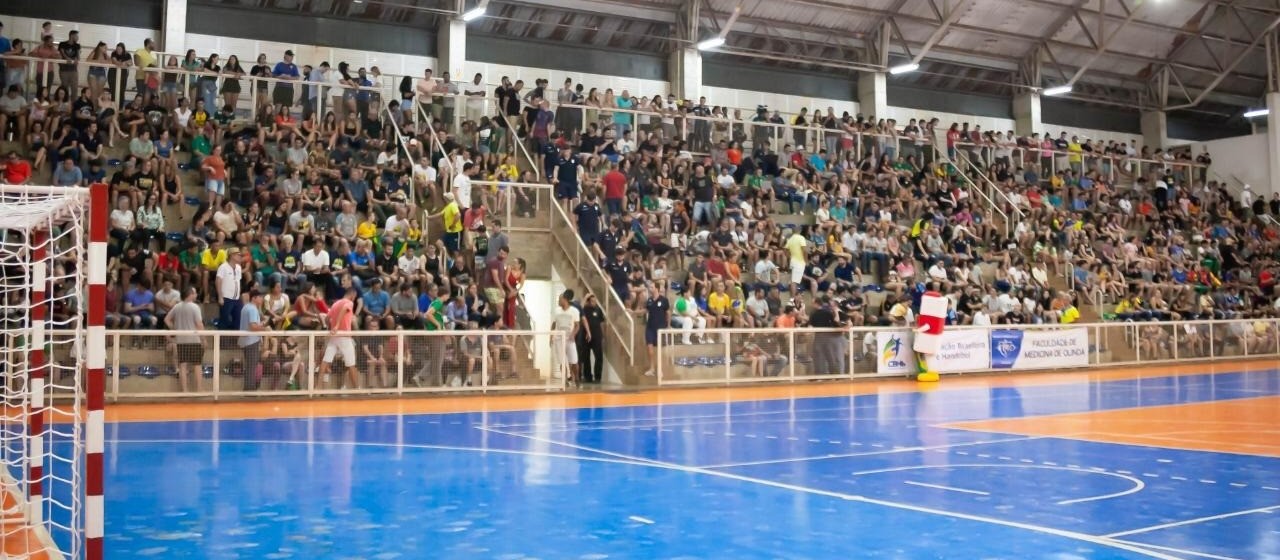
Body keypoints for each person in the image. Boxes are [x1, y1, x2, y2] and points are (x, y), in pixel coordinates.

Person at [164, 287, 204, 393]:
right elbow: (199, 324)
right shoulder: (195, 307)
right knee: (197, 365)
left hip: (181, 340)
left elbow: (167, 319)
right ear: (190, 294)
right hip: (194, 340)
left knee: (182, 365)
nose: (196, 295)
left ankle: (185, 390)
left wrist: (175, 329)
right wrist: (204, 338)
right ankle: (199, 389)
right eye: (195, 293)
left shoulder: (177, 307)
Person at [318, 287, 359, 390]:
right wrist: (336, 325)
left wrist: (330, 327)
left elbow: (327, 318)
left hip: (334, 337)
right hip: (344, 336)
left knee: (325, 361)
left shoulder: (335, 304)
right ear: (352, 294)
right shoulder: (349, 303)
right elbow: (345, 308)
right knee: (351, 364)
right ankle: (357, 389)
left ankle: (317, 387)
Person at [239, 288, 268, 391]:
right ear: (254, 298)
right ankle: (249, 390)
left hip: (246, 341)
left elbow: (254, 325)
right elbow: (253, 327)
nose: (262, 299)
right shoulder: (252, 309)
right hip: (251, 342)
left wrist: (262, 324)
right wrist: (265, 329)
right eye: (260, 297)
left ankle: (248, 388)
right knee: (251, 366)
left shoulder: (246, 307)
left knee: (250, 365)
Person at [553, 289, 581, 384]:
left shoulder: (574, 311)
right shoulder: (556, 311)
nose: (558, 301)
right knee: (562, 361)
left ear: (565, 299)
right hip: (559, 339)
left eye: (560, 299)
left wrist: (573, 334)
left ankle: (576, 378)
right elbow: (553, 324)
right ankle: (564, 381)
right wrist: (551, 336)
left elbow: (577, 325)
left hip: (569, 339)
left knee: (574, 361)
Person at [642, 283, 670, 377]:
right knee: (649, 348)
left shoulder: (664, 300)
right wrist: (633, 312)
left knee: (659, 350)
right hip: (650, 327)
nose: (650, 288)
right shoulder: (649, 300)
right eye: (649, 287)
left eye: (652, 287)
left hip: (660, 328)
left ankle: (660, 369)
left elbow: (668, 313)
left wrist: (668, 325)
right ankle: (652, 368)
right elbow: (645, 311)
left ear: (656, 288)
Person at [579, 294, 605, 384]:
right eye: (593, 301)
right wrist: (585, 297)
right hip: (585, 336)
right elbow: (579, 308)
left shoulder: (598, 310)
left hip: (597, 336)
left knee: (599, 357)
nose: (595, 302)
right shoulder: (584, 309)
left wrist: (603, 335)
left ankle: (597, 377)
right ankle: (588, 377)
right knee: (586, 357)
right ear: (589, 302)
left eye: (595, 301)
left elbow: (602, 323)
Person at [216, 247, 243, 330]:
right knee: (224, 320)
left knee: (238, 320)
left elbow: (238, 281)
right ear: (232, 256)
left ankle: (234, 340)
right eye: (238, 255)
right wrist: (220, 297)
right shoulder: (223, 267)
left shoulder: (238, 267)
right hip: (226, 298)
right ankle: (221, 341)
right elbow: (218, 281)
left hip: (236, 298)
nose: (240, 257)